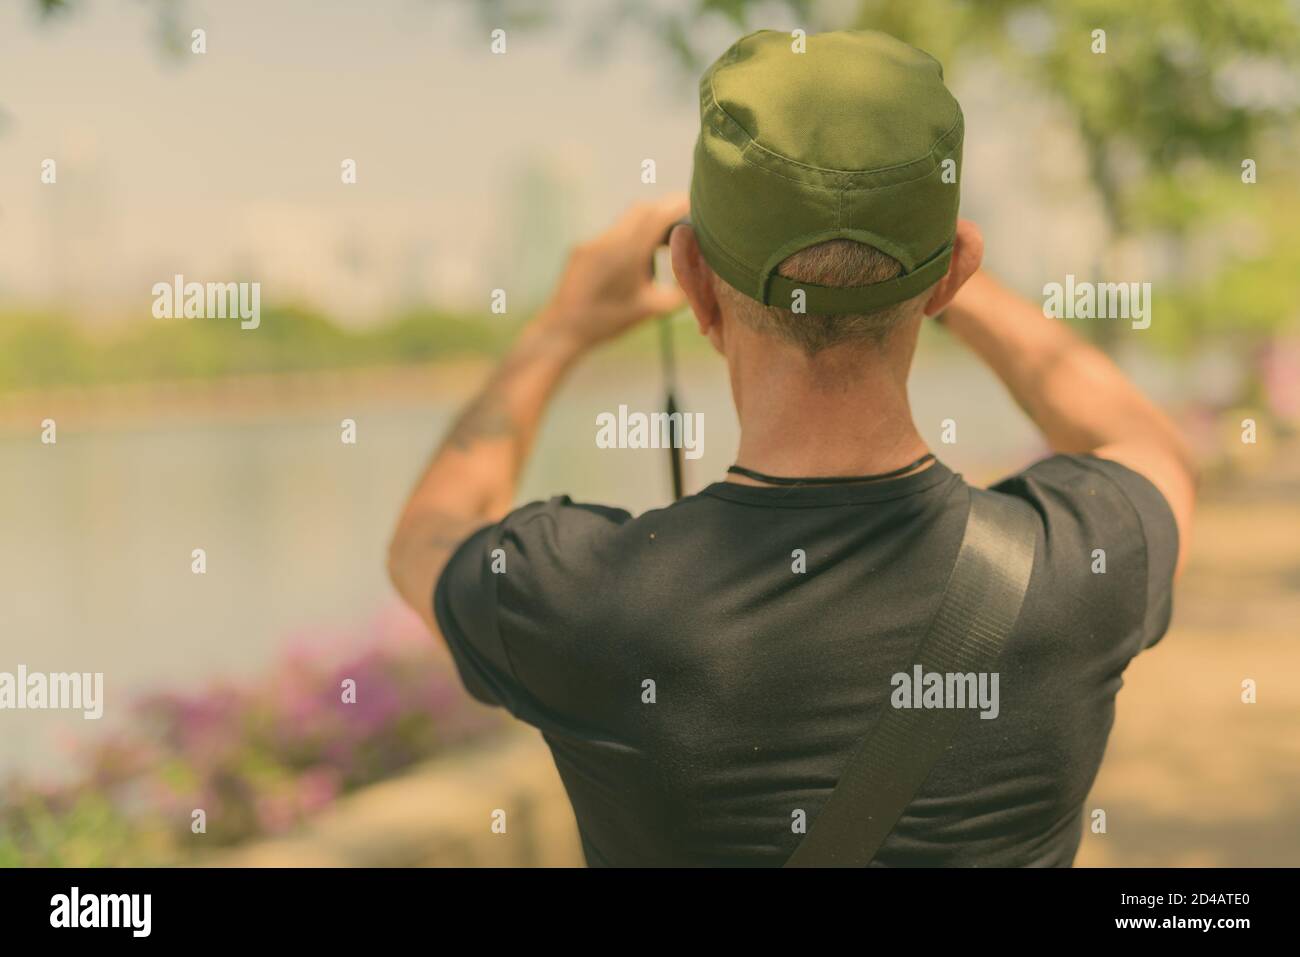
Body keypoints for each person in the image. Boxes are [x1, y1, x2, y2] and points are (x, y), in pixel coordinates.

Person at [388, 29, 1196, 866]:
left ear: (694, 281)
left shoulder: (582, 598)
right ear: (955, 273)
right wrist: (922, 265)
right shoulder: (1081, 565)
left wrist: (558, 330)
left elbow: (425, 538)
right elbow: (1141, 440)